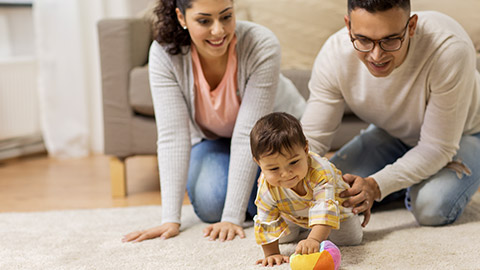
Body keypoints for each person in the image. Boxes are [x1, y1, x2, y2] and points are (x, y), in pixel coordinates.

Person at [122, 0, 305, 243]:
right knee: (211, 202)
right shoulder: (164, 53)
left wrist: (232, 217)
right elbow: (173, 135)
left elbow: (246, 134)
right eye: (204, 20)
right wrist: (170, 219)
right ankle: (275, 200)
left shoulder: (261, 43)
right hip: (212, 140)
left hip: (274, 145)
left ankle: (276, 195)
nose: (218, 30)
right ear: (181, 17)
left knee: (279, 181)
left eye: (226, 17)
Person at [301, 0, 480, 228]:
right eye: (364, 40)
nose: (376, 56)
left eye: (390, 40)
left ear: (412, 26)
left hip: (466, 134)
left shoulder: (448, 48)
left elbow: (438, 146)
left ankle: (409, 186)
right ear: (348, 26)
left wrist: (376, 185)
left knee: (431, 207)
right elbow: (313, 138)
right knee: (329, 192)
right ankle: (406, 180)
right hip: (392, 135)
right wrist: (289, 176)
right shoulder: (334, 55)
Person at [250, 112, 362, 267]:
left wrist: (314, 239)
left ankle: (314, 231)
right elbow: (265, 219)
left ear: (305, 149)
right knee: (282, 238)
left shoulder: (321, 171)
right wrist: (272, 253)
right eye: (274, 168)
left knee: (351, 239)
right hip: (294, 214)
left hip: (336, 209)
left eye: (294, 162)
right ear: (259, 163)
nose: (286, 174)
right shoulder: (266, 184)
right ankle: (307, 228)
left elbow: (324, 209)